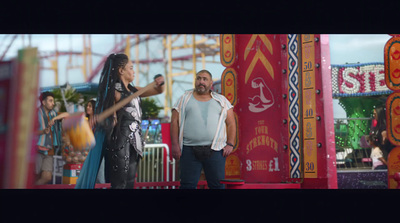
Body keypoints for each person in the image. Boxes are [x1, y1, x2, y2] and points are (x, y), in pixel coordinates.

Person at [75, 53, 164, 189]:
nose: (133, 71)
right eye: (131, 68)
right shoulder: (114, 92)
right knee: (119, 184)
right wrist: (105, 118)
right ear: (121, 71)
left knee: (129, 183)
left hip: (136, 142)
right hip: (120, 142)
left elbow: (158, 90)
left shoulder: (134, 90)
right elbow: (107, 116)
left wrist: (160, 82)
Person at [170, 69, 236, 189]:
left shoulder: (222, 101)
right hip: (188, 149)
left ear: (211, 83)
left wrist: (230, 144)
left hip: (215, 150)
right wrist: (174, 144)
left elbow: (231, 123)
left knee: (217, 186)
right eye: (199, 78)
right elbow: (174, 122)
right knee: (187, 186)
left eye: (205, 79)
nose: (201, 81)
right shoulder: (184, 98)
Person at [35, 91, 62, 185]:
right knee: (34, 175)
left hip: (49, 150)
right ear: (43, 102)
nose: (53, 103)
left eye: (53, 101)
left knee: (47, 177)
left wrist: (54, 119)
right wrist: (43, 131)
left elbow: (67, 115)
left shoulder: (53, 113)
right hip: (37, 149)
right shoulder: (35, 113)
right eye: (50, 101)